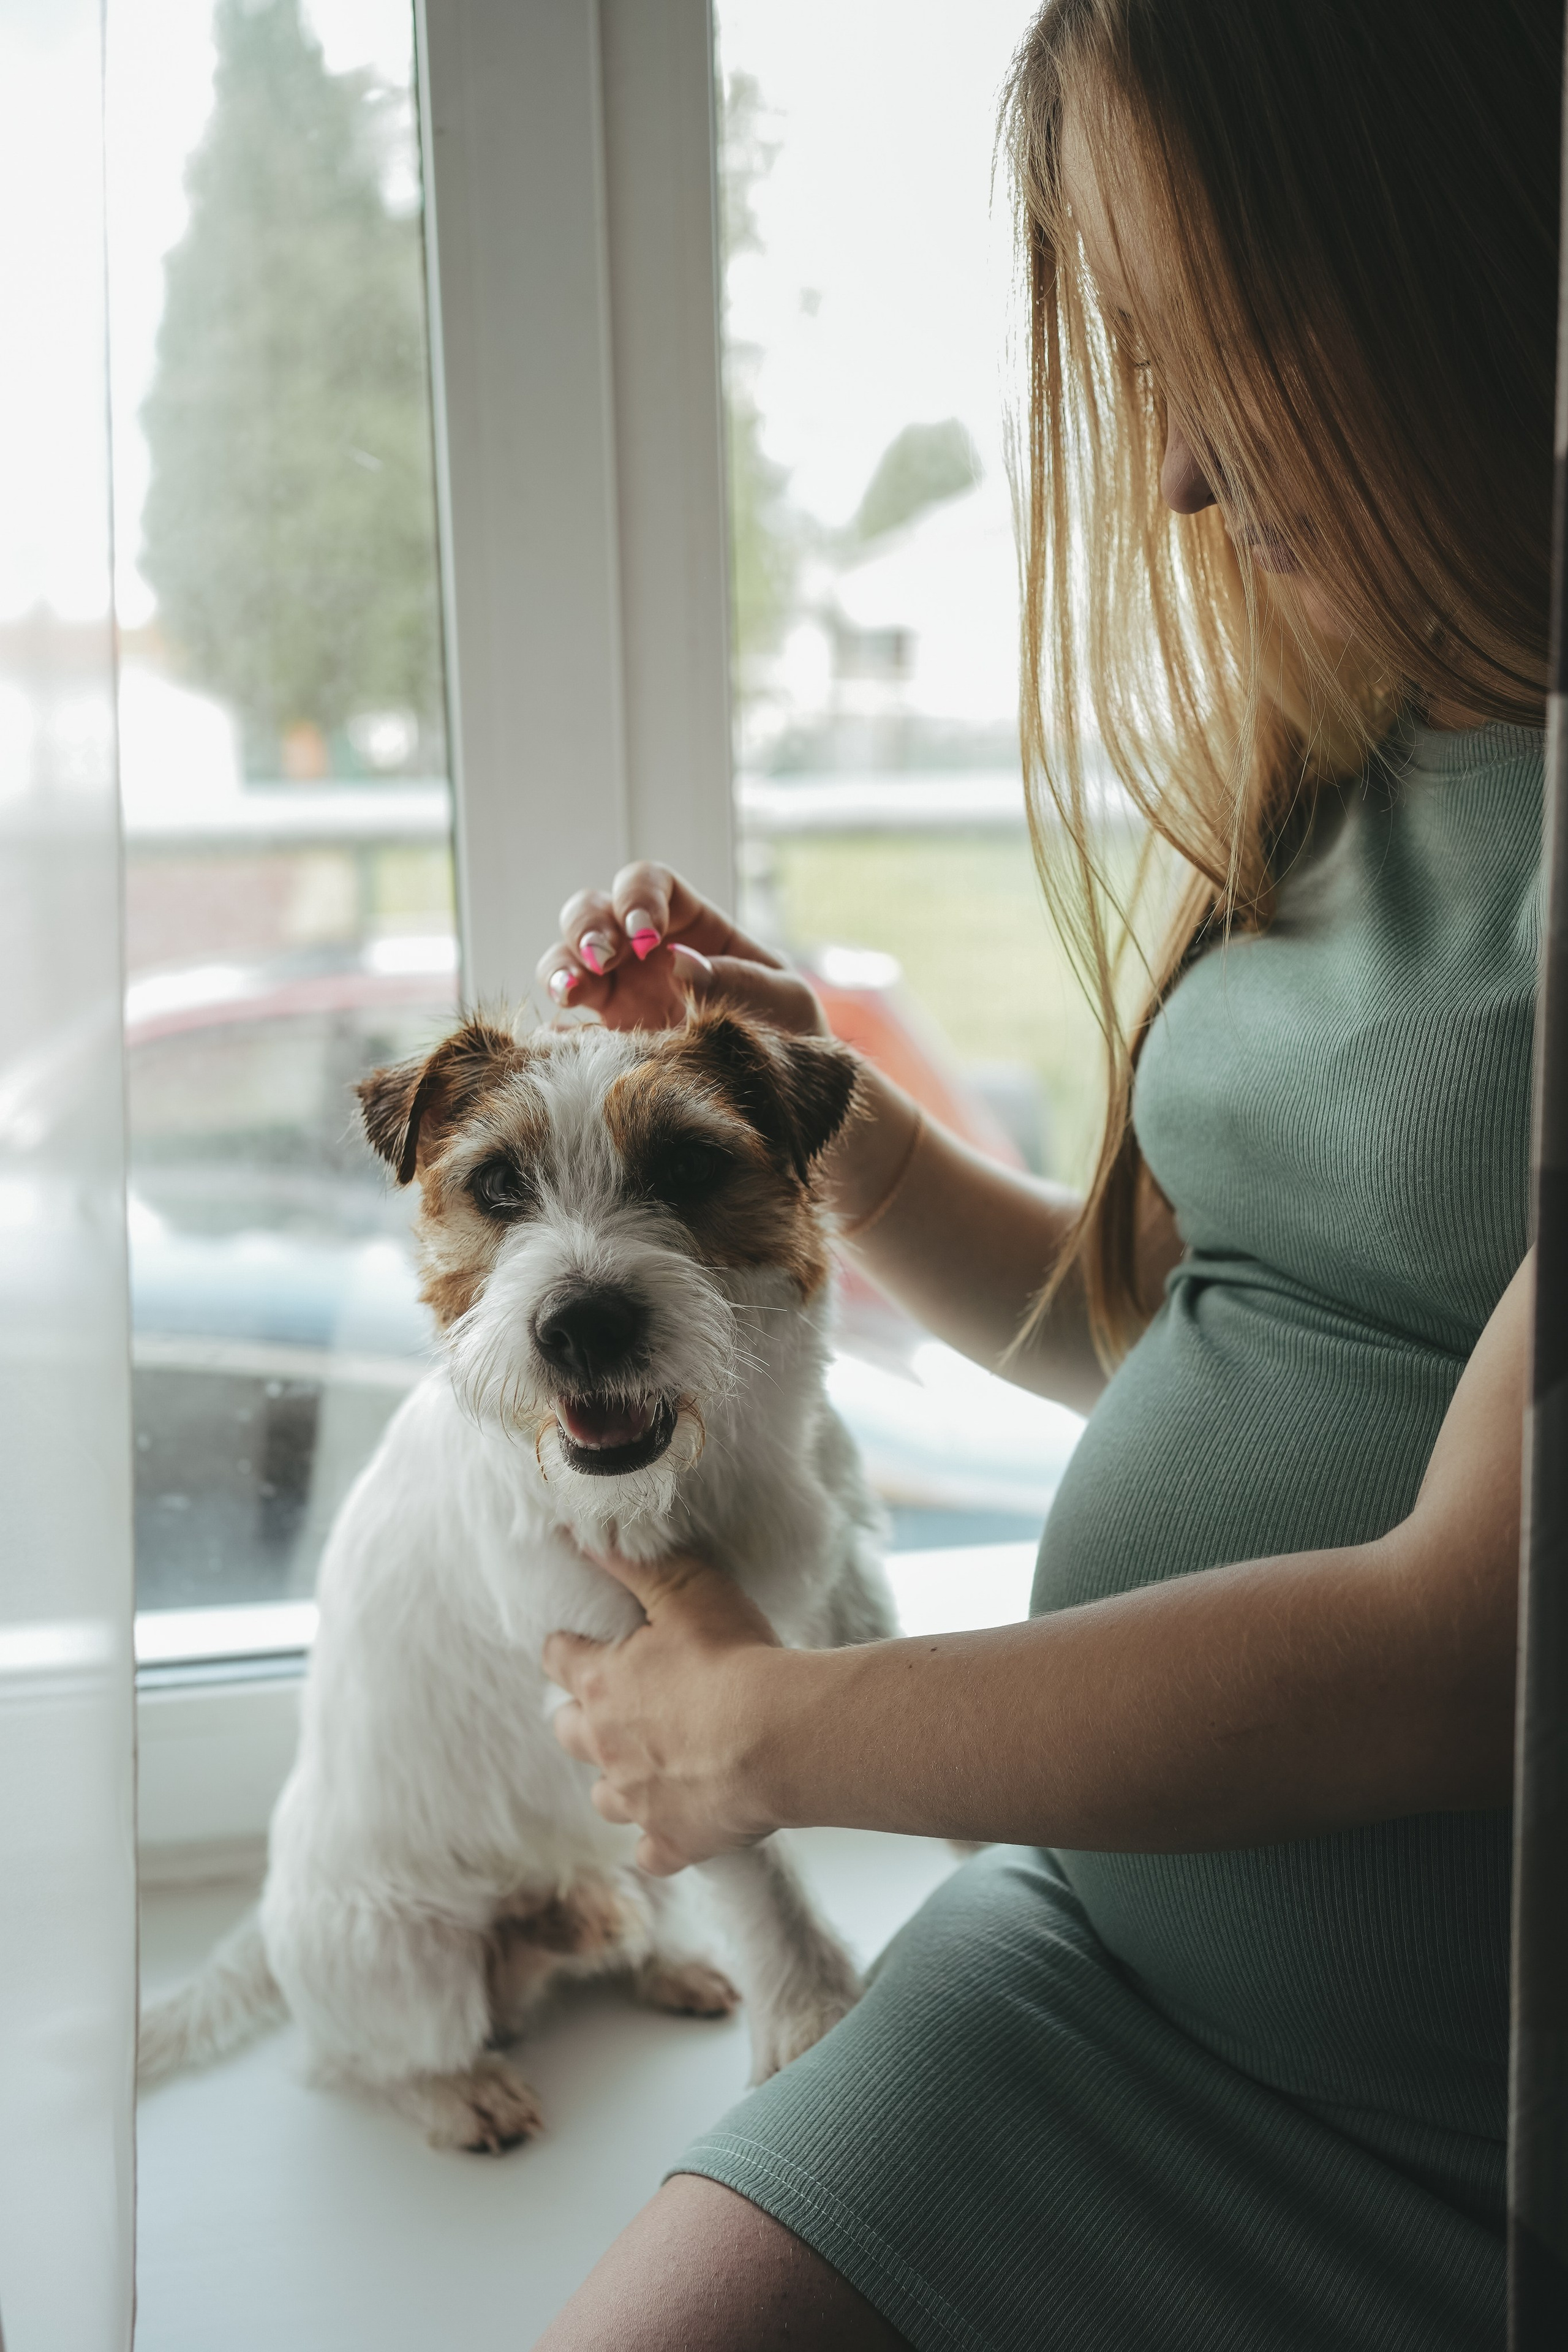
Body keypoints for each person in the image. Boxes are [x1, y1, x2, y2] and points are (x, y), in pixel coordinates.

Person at [530, 1, 1557, 2342]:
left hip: (1468, 2123)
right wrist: (830, 1120)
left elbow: (1447, 1654)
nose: (1177, 473)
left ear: (1446, 262)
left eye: (1224, 341)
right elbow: (1153, 1327)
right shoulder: (1368, 743)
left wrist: (769, 1734)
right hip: (1095, 1970)